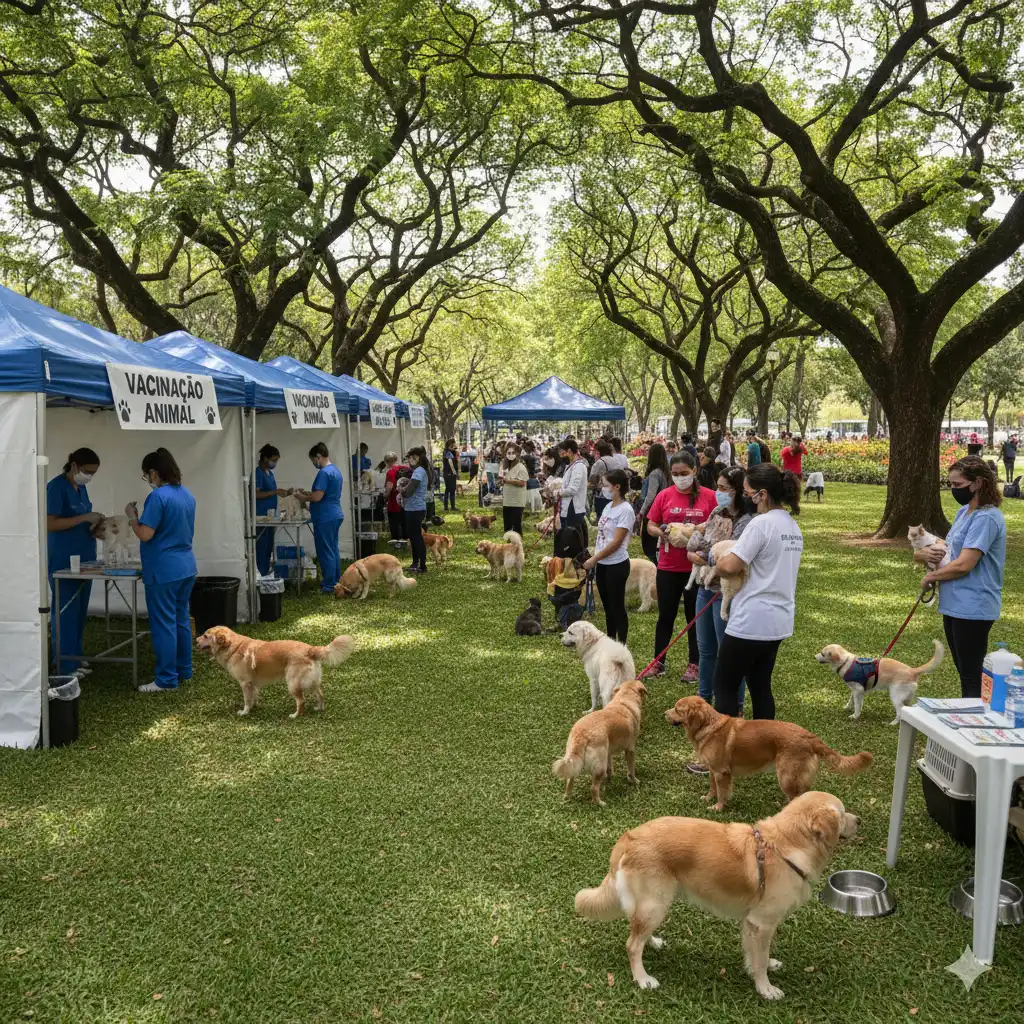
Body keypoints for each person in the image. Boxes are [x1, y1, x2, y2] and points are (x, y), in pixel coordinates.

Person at [711, 463, 803, 719]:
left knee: (724, 685)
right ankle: (765, 743)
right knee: (761, 686)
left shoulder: (761, 524)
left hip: (751, 619)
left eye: (748, 493)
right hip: (779, 619)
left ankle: (726, 745)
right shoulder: (792, 526)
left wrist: (715, 560)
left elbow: (729, 566)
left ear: (762, 494)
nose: (746, 498)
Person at [922, 457, 1006, 699]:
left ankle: (976, 718)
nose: (953, 490)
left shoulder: (987, 518)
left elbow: (964, 564)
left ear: (978, 483)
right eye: (951, 484)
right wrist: (926, 552)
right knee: (964, 671)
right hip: (954, 604)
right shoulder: (964, 512)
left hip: (974, 605)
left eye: (958, 485)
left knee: (971, 675)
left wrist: (931, 577)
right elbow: (951, 550)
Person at [125, 448, 196, 693]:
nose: (148, 480)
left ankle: (166, 679)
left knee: (164, 623)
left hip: (164, 569)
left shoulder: (157, 497)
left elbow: (146, 534)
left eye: (146, 476)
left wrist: (132, 518)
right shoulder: (186, 494)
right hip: (186, 566)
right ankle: (184, 669)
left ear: (154, 473)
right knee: (180, 619)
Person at [645, 452, 717, 680]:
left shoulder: (710, 497)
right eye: (675, 474)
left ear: (694, 471)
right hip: (668, 567)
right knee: (665, 616)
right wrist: (662, 532)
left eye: (684, 473)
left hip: (697, 569)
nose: (679, 478)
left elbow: (719, 526)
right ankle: (658, 661)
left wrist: (697, 532)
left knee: (694, 618)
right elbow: (650, 525)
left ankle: (695, 663)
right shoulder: (665, 495)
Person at [687, 467, 752, 711]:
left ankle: (734, 707)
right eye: (718, 486)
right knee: (706, 650)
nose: (719, 492)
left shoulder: (747, 522)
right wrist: (702, 552)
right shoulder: (716, 512)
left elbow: (730, 558)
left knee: (728, 653)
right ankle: (703, 701)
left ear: (738, 491)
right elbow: (700, 542)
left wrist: (702, 555)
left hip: (727, 593)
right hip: (705, 587)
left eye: (724, 488)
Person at [47, 447, 105, 673]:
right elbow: (49, 523)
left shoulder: (80, 488)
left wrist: (96, 526)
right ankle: (64, 664)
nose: (89, 476)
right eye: (87, 471)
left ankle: (75, 656)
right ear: (73, 466)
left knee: (80, 611)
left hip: (85, 556)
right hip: (63, 557)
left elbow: (82, 520)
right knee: (66, 611)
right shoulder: (56, 487)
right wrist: (83, 518)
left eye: (93, 473)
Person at [583, 468, 635, 643]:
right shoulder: (608, 506)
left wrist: (594, 559)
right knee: (607, 607)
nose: (602, 488)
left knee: (617, 607)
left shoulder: (626, 510)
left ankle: (621, 644)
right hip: (603, 564)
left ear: (617, 486)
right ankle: (611, 641)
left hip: (616, 565)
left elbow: (617, 542)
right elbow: (602, 535)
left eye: (605, 485)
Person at [299, 442, 344, 594]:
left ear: (318, 457)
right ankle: (336, 581)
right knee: (332, 549)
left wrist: (303, 497)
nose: (314, 463)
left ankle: (329, 585)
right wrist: (309, 494)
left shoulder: (324, 473)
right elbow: (325, 493)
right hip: (334, 514)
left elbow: (317, 497)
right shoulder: (335, 470)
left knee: (325, 551)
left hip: (325, 516)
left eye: (313, 460)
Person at [254, 444, 292, 576]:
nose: (274, 463)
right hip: (260, 516)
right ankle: (260, 575)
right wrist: (274, 492)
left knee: (268, 547)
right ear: (265, 458)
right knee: (261, 547)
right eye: (273, 460)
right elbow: (255, 494)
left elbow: (273, 492)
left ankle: (265, 574)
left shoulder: (269, 474)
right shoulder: (257, 473)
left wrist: (285, 493)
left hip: (270, 516)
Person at [639, 442, 670, 565]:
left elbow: (650, 496)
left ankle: (654, 566)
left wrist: (641, 512)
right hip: (662, 511)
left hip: (652, 512)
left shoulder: (654, 473)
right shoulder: (664, 472)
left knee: (649, 545)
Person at [555, 437, 590, 547]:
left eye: (562, 453)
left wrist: (558, 493)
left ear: (569, 451)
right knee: (567, 539)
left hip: (574, 508)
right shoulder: (569, 467)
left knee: (574, 540)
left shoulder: (579, 467)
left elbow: (572, 489)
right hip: (567, 507)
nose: (561, 456)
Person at [402, 446, 430, 573]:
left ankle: (422, 566)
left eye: (409, 458)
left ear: (416, 458)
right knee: (414, 537)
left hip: (415, 509)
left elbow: (409, 491)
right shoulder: (420, 470)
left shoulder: (418, 471)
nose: (408, 461)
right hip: (415, 508)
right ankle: (416, 564)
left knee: (416, 538)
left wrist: (401, 490)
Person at [501, 442, 528, 535]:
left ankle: (518, 542)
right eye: (508, 453)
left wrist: (508, 481)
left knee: (516, 526)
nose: (511, 455)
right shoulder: (505, 466)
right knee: (507, 526)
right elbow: (503, 479)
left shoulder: (521, 467)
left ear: (517, 453)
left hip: (517, 501)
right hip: (507, 500)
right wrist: (502, 481)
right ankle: (509, 542)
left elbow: (522, 483)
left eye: (513, 453)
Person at [382, 452, 407, 547]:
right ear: (396, 459)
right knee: (404, 521)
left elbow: (389, 488)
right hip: (405, 500)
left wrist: (385, 497)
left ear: (386, 462)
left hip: (394, 502)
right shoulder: (405, 468)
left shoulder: (391, 472)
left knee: (395, 522)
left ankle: (396, 542)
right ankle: (406, 540)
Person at [589, 439, 615, 522]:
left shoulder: (599, 462)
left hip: (602, 495)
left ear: (598, 452)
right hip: (615, 493)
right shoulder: (614, 460)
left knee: (602, 518)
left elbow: (592, 479)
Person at [442, 438, 459, 512]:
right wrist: (454, 472)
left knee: (451, 489)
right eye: (454, 443)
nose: (455, 445)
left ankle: (452, 506)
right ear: (451, 444)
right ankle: (447, 507)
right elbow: (450, 463)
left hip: (450, 473)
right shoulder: (447, 452)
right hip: (449, 473)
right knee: (449, 489)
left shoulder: (452, 452)